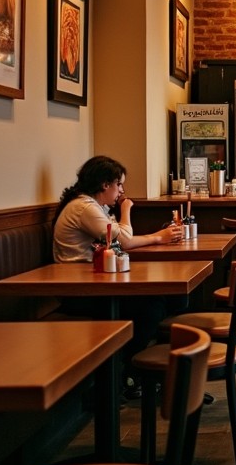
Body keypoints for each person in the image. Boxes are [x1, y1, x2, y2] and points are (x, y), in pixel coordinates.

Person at [53, 156, 185, 393]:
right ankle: (128, 373)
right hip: (79, 291)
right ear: (105, 184)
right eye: (119, 185)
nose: (122, 191)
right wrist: (132, 214)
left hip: (95, 283)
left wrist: (156, 236)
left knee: (169, 299)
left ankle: (140, 372)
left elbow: (118, 241)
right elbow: (122, 240)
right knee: (151, 307)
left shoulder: (95, 206)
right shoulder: (85, 208)